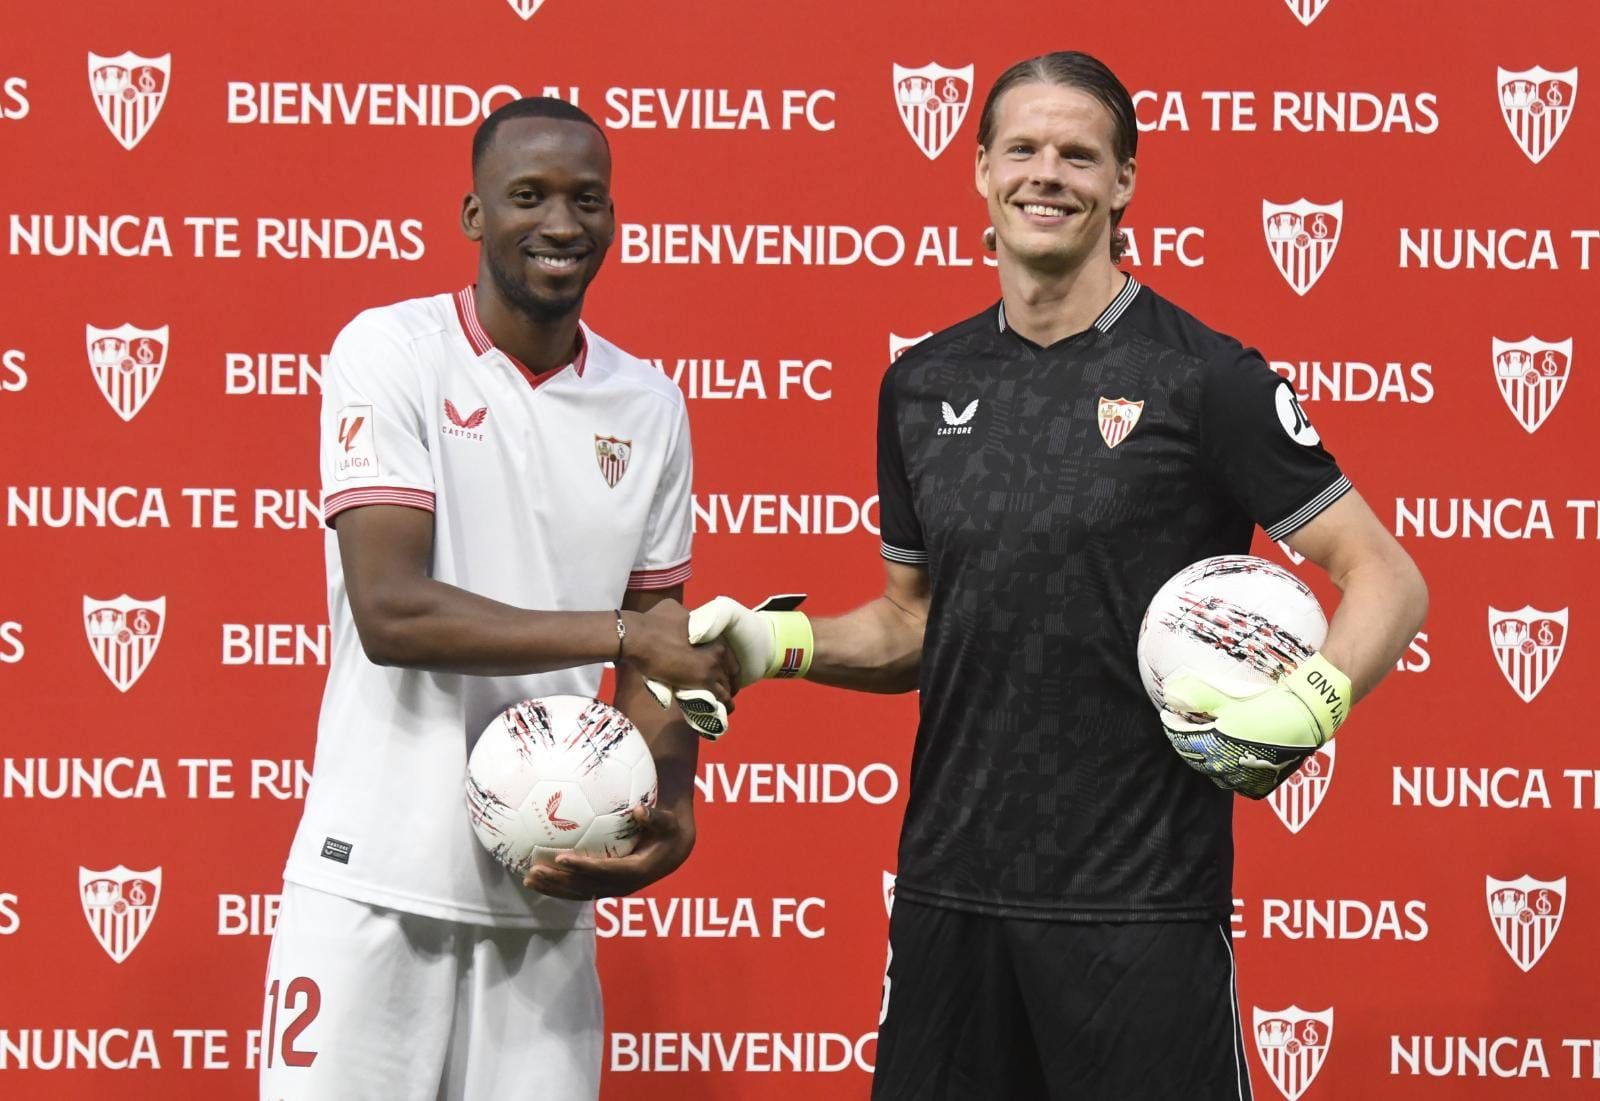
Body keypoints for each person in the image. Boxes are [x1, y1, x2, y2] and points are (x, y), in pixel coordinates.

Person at [675, 52, 1428, 1099]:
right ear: (980, 168)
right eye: (1022, 148)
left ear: (1122, 184)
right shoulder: (921, 382)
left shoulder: (1204, 376)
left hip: (1141, 905)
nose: (1048, 173)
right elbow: (913, 622)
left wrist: (1312, 699)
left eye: (1080, 154)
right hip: (951, 897)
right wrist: (775, 643)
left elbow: (1385, 576)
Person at [259, 96, 737, 1101]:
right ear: (474, 215)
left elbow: (659, 637)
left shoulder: (648, 405)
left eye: (587, 200)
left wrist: (673, 791)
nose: (561, 225)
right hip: (370, 881)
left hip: (544, 887)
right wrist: (621, 637)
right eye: (528, 197)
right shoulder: (389, 352)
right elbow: (393, 614)